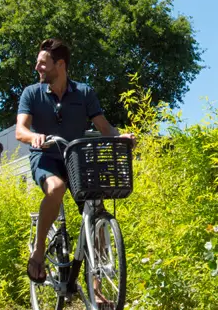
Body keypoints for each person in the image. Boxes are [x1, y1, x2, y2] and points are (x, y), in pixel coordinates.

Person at [16, 38, 134, 288]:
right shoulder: (32, 93)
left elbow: (104, 127)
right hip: (46, 155)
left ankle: (97, 289)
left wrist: (120, 136)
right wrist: (34, 137)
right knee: (56, 188)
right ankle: (38, 252)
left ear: (60, 65)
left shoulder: (85, 93)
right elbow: (20, 131)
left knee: (96, 213)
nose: (37, 68)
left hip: (77, 159)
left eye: (42, 64)